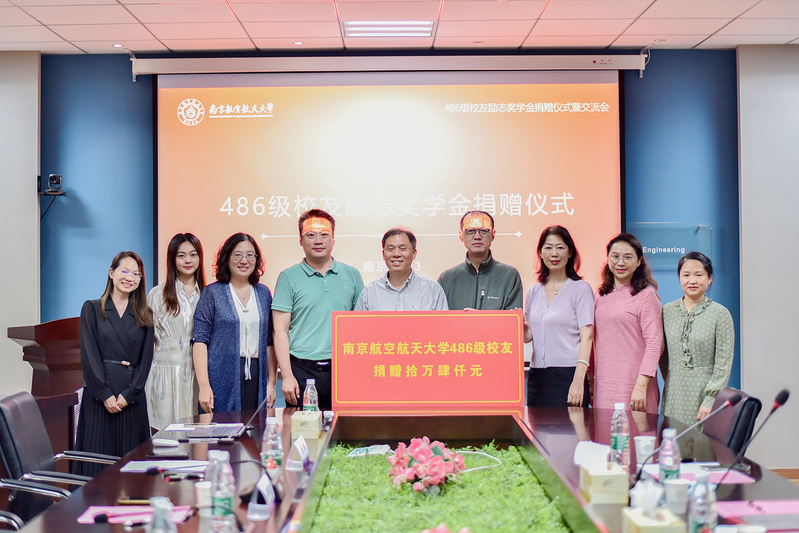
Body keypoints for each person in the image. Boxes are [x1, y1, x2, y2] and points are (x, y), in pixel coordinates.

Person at [272, 209, 364, 409]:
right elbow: (280, 330)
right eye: (311, 235)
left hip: (343, 369)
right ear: (300, 240)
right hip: (301, 370)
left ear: (333, 239)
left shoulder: (352, 275)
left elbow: (361, 326)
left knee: (343, 426)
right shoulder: (288, 277)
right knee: (303, 427)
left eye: (324, 234)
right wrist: (286, 376)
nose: (318, 241)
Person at [75, 251, 154, 476]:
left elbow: (145, 361)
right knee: (97, 468)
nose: (130, 277)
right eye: (124, 271)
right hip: (99, 398)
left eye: (136, 274)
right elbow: (89, 355)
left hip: (131, 399)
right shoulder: (92, 308)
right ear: (111, 273)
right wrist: (104, 394)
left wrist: (131, 394)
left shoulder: (145, 314)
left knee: (131, 471)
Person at [192, 233, 276, 413]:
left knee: (255, 427)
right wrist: (204, 385)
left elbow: (270, 341)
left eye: (250, 255)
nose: (244, 260)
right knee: (221, 427)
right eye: (237, 255)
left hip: (257, 375)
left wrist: (272, 382)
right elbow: (200, 341)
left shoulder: (263, 294)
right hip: (220, 375)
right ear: (226, 258)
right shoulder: (212, 293)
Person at [523, 226, 594, 407]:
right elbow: (528, 336)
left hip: (569, 375)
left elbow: (587, 337)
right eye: (548, 248)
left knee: (572, 426)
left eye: (560, 247)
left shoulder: (580, 289)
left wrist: (578, 381)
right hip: (537, 378)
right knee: (536, 426)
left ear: (570, 252)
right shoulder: (533, 291)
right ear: (540, 253)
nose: (554, 253)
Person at [661, 252, 734, 424]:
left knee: (701, 441)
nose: (692, 280)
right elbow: (662, 357)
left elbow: (723, 363)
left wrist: (710, 399)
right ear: (679, 278)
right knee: (672, 439)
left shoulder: (720, 314)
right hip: (673, 396)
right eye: (686, 275)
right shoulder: (666, 312)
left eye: (699, 275)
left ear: (709, 278)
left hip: (704, 397)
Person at [593, 233, 663, 414]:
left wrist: (641, 385)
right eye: (615, 256)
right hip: (604, 387)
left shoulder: (647, 295)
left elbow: (654, 343)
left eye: (628, 257)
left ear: (639, 261)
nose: (620, 262)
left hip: (635, 388)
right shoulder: (599, 295)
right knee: (604, 431)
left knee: (636, 432)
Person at [145, 233, 206, 430]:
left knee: (197, 435)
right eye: (181, 255)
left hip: (198, 375)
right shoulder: (157, 294)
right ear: (172, 258)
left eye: (193, 255)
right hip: (164, 375)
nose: (188, 260)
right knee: (163, 437)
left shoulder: (208, 294)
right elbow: (145, 342)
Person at [437, 210, 523, 310]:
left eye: (483, 231)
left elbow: (513, 318)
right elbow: (439, 318)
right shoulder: (447, 279)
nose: (477, 237)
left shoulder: (509, 275)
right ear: (461, 235)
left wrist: (478, 317)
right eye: (470, 231)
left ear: (493, 235)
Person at [355, 227, 448, 311]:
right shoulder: (369, 292)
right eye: (391, 249)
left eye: (402, 248)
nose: (396, 254)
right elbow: (359, 324)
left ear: (414, 253)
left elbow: (443, 324)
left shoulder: (432, 290)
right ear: (383, 254)